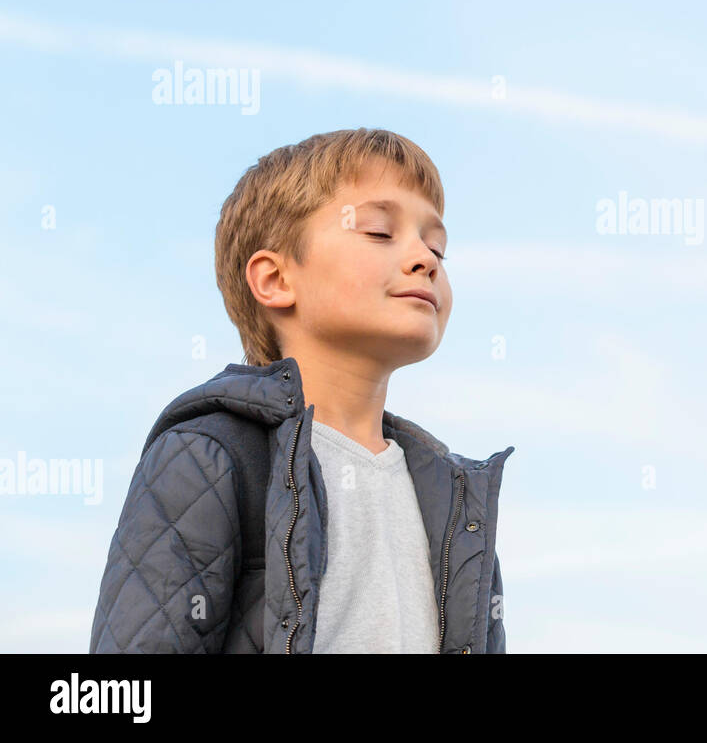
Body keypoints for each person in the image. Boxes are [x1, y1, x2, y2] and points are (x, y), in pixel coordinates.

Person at [89, 127, 513, 653]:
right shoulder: (208, 457)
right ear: (274, 280)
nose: (424, 258)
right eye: (380, 232)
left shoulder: (457, 502)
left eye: (437, 247)